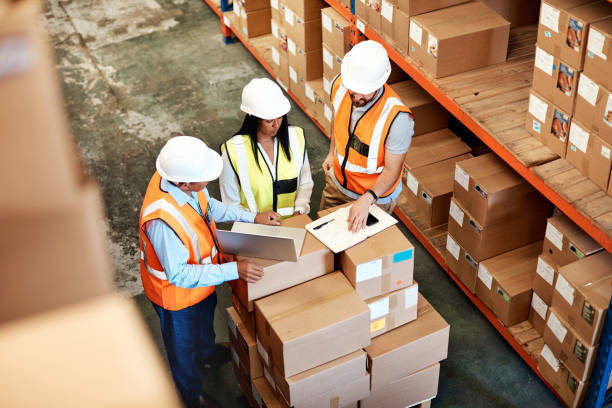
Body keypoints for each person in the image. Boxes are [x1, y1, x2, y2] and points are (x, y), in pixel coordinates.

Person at [138, 136, 280, 408]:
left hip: (203, 281)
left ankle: (207, 354)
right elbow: (180, 275)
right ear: (184, 183)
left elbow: (209, 207)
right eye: (204, 178)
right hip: (175, 298)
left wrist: (252, 216)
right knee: (181, 349)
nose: (208, 182)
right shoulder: (162, 222)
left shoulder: (182, 178)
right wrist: (233, 269)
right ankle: (191, 396)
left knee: (204, 323)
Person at [320, 40, 414, 232]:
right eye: (353, 91)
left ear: (380, 83)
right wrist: (332, 153)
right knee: (324, 240)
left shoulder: (397, 119)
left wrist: (367, 199)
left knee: (360, 253)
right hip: (337, 182)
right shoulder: (340, 85)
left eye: (364, 93)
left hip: (373, 197)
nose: (356, 98)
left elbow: (392, 170)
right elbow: (337, 118)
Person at [220, 78, 313, 218]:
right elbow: (230, 207)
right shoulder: (233, 151)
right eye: (269, 120)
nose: (276, 124)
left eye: (280, 117)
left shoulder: (295, 138)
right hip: (255, 232)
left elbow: (305, 182)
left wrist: (300, 209)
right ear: (254, 119)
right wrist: (255, 219)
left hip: (293, 225)